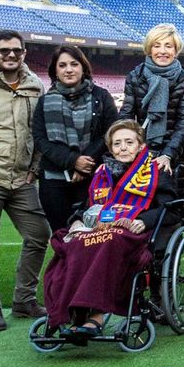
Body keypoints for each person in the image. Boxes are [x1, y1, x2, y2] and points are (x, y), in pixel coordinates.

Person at [41, 120, 176, 337]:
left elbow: (172, 209)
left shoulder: (156, 170)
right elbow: (88, 206)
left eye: (129, 142)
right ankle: (67, 312)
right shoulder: (103, 172)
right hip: (99, 229)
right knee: (70, 243)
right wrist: (76, 221)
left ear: (141, 146)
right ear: (110, 148)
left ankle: (96, 316)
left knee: (107, 242)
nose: (123, 147)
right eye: (117, 143)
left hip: (131, 232)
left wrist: (144, 220)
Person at [0, 30, 51, 332]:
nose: (10, 55)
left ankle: (24, 300)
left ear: (24, 53)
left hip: (22, 179)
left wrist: (34, 169)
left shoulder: (35, 86)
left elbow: (39, 133)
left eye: (16, 51)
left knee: (39, 235)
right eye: (4, 50)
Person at [118, 23, 184, 226]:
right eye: (157, 45)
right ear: (149, 48)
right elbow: (127, 114)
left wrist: (167, 155)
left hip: (175, 155)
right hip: (140, 154)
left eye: (168, 46)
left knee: (171, 218)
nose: (162, 51)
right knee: (136, 213)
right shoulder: (135, 76)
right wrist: (121, 144)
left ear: (176, 50)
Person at [31, 45, 118, 232]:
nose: (68, 69)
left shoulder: (101, 96)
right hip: (54, 181)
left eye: (74, 64)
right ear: (55, 70)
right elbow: (40, 138)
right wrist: (72, 161)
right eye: (62, 65)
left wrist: (84, 161)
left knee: (92, 236)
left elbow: (111, 132)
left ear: (83, 67)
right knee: (61, 236)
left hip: (93, 178)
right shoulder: (45, 101)